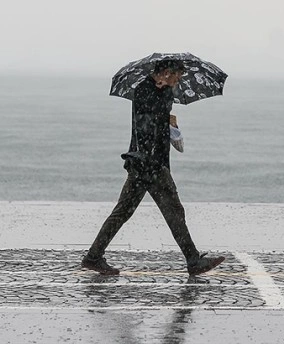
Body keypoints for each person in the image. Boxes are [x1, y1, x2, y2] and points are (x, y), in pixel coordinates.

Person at [81, 60, 225, 276]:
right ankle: (193, 261)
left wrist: (171, 123)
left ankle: (93, 257)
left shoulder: (166, 93)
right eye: (177, 76)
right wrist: (163, 113)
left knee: (126, 212)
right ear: (166, 73)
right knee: (171, 211)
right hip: (147, 164)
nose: (179, 81)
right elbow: (146, 125)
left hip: (152, 163)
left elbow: (161, 123)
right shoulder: (143, 91)